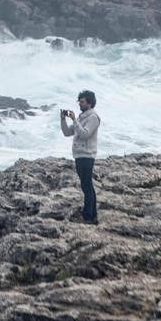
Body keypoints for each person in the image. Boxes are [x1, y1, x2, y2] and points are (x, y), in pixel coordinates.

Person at [61, 90, 101, 224]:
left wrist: (74, 120)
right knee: (86, 186)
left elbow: (85, 134)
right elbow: (67, 133)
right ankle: (92, 215)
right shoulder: (81, 117)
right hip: (79, 156)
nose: (79, 104)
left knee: (87, 186)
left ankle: (89, 216)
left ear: (89, 103)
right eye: (79, 101)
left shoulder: (93, 117)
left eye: (82, 102)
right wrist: (63, 120)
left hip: (87, 156)